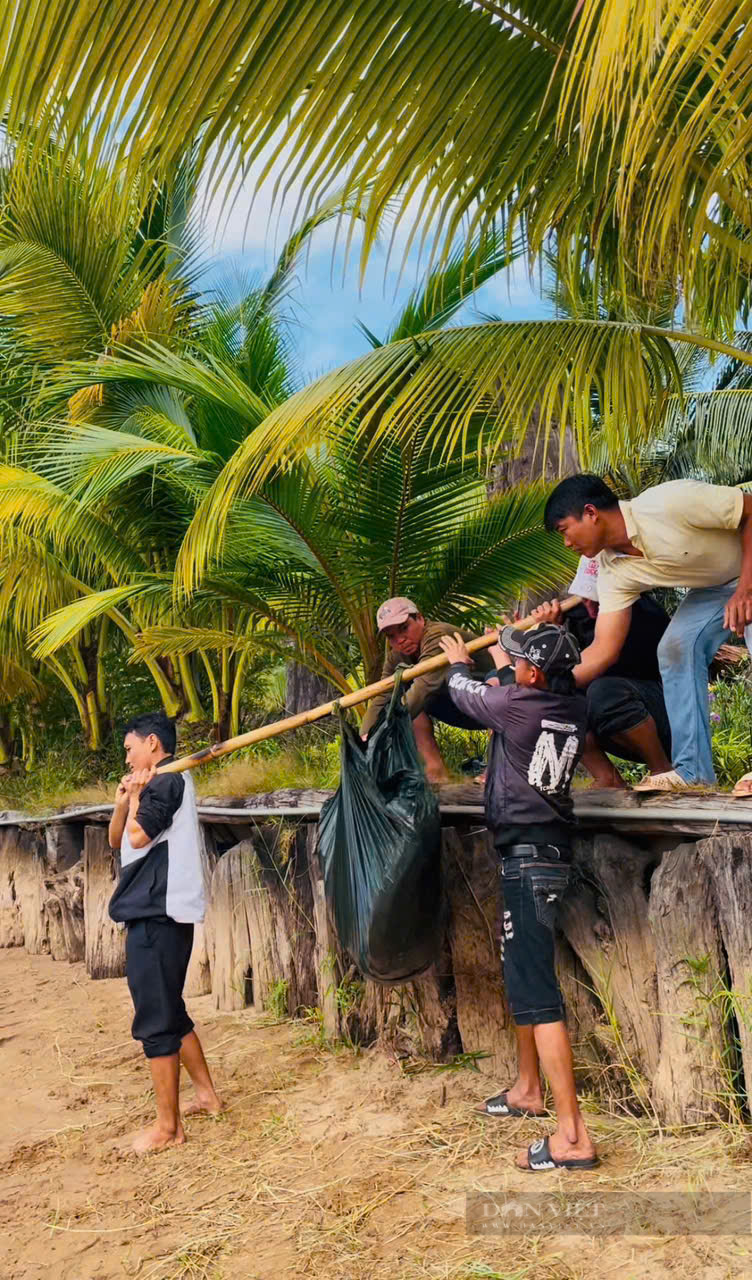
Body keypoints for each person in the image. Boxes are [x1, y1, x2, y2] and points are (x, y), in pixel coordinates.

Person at [440, 623, 598, 1172]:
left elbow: (464, 691)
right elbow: (518, 681)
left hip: (528, 859)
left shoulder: (516, 707)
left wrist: (462, 661)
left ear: (531, 673)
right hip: (546, 853)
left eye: (519, 663)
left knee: (538, 994)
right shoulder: (569, 706)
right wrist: (508, 654)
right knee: (524, 975)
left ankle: (572, 1136)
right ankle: (527, 1088)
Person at [544, 475, 752, 792]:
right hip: (718, 586)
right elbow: (603, 648)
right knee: (675, 648)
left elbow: (750, 511)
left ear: (590, 512)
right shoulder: (612, 568)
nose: (567, 543)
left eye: (564, 530)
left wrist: (746, 590)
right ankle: (693, 773)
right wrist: (555, 682)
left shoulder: (669, 502)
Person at [108, 711, 222, 1153]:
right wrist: (123, 801)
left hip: (159, 913)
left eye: (130, 746)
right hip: (155, 912)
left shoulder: (167, 782)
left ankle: (168, 1128)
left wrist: (136, 799)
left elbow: (138, 837)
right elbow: (117, 839)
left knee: (155, 1021)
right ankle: (208, 1095)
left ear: (152, 743)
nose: (127, 754)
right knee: (169, 1009)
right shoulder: (154, 785)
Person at [531, 556, 672, 788]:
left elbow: (599, 664)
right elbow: (565, 674)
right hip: (611, 720)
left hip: (661, 719)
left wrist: (551, 671)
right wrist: (551, 631)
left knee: (603, 690)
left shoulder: (645, 614)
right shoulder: (579, 615)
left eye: (596, 596)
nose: (589, 603)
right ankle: (607, 777)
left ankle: (662, 772)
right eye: (586, 594)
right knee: (559, 697)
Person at [359, 597, 494, 782]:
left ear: (420, 619)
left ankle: (500, 767)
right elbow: (383, 695)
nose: (400, 640)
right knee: (405, 699)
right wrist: (364, 740)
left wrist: (383, 730)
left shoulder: (437, 635)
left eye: (404, 628)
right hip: (460, 706)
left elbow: (423, 688)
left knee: (411, 700)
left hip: (498, 706)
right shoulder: (396, 658)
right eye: (391, 636)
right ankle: (436, 774)